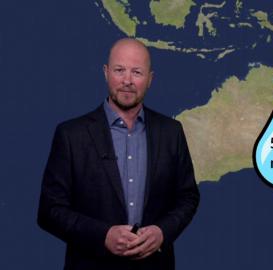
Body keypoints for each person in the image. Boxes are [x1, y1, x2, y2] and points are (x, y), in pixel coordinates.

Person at [37, 38, 200, 270]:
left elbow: (188, 197)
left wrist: (162, 232)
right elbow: (49, 211)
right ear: (106, 73)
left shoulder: (171, 132)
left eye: (137, 72)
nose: (127, 80)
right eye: (119, 70)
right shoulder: (71, 135)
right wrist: (102, 235)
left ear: (150, 79)